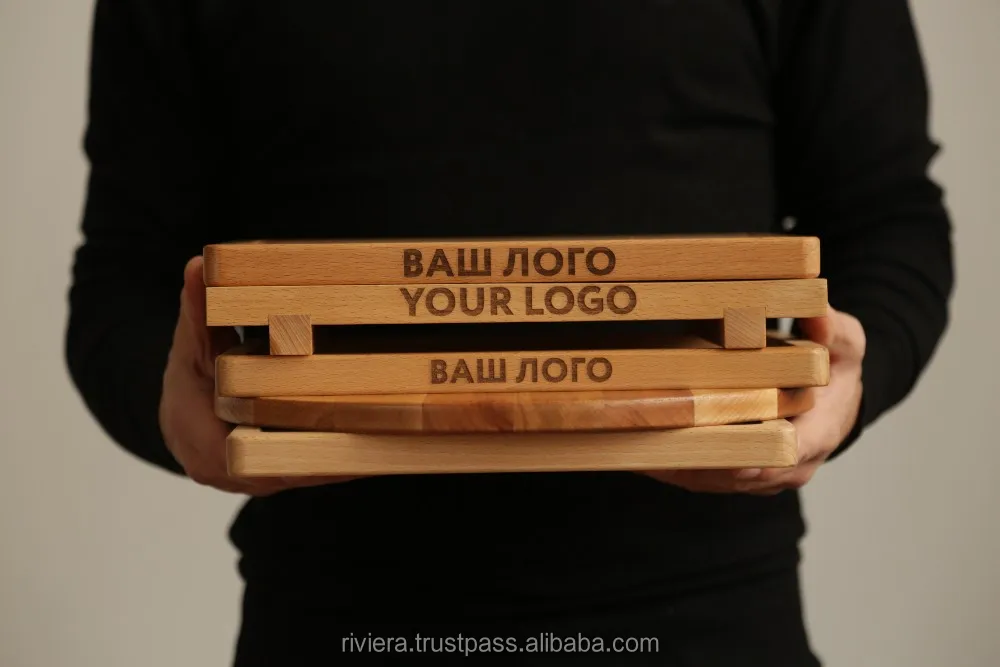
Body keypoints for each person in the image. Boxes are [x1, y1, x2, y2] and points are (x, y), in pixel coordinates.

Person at [65, 0, 954, 665]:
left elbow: (886, 213)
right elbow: (124, 271)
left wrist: (848, 375)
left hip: (710, 619)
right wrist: (170, 406)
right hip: (331, 619)